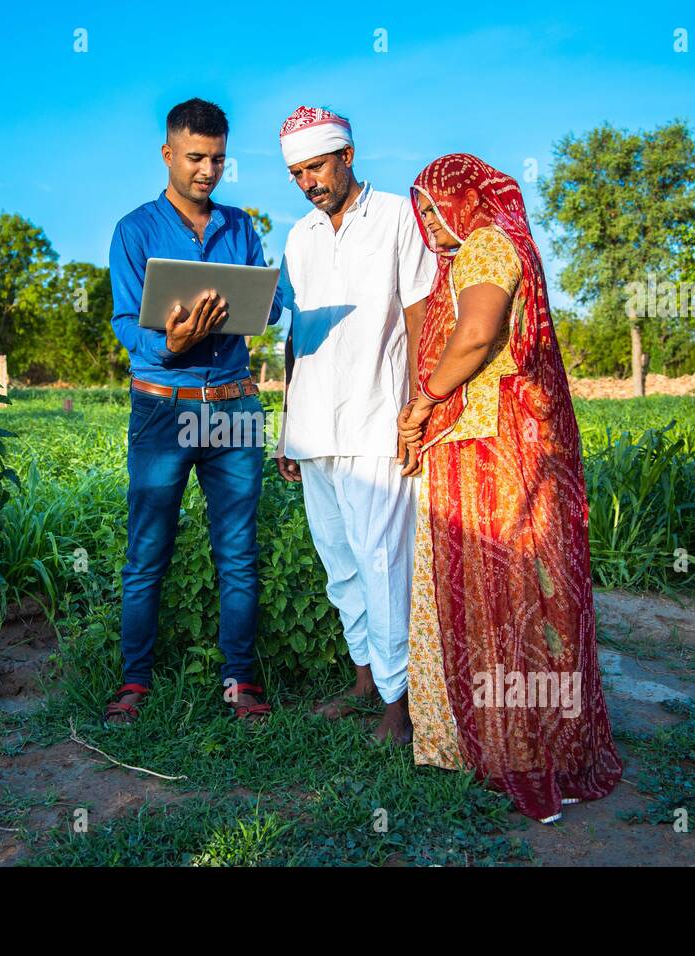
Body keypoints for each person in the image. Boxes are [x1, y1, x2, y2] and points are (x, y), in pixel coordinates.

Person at [396, 153, 622, 822]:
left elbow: (475, 334)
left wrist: (423, 400)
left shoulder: (487, 248)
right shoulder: (494, 247)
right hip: (501, 441)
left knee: (500, 601)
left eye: (437, 210)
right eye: (424, 213)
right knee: (519, 596)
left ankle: (518, 756)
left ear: (467, 203)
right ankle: (536, 747)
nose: (431, 226)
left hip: (488, 452)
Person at [105, 98, 283, 726]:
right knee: (147, 551)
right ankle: (135, 683)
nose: (208, 170)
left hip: (232, 409)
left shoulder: (241, 228)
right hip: (162, 408)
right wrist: (170, 343)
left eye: (218, 158)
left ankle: (240, 682)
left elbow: (273, 302)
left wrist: (267, 303)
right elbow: (127, 321)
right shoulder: (134, 230)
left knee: (237, 551)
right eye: (195, 157)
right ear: (168, 155)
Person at [274, 106, 435, 744]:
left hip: (377, 422)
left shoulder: (399, 216)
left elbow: (421, 314)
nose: (308, 181)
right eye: (295, 172)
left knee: (383, 561)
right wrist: (289, 422)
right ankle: (365, 678)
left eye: (315, 166)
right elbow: (296, 335)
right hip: (314, 428)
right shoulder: (298, 237)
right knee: (339, 560)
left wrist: (419, 403)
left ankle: (402, 703)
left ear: (347, 155)